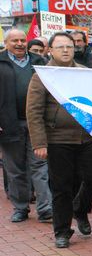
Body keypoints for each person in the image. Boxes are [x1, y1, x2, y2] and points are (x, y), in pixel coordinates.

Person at [26, 32, 92, 248]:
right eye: (60, 46)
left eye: (69, 46)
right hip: (58, 139)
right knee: (62, 186)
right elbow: (33, 111)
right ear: (49, 50)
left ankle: (80, 208)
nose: (65, 50)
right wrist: (39, 143)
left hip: (87, 137)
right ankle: (62, 231)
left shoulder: (85, 73)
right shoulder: (42, 75)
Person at [0, 28, 52, 223]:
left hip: (36, 123)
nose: (20, 44)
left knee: (40, 165)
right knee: (15, 169)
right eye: (15, 41)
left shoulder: (39, 62)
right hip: (9, 124)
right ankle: (20, 208)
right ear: (7, 43)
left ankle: (45, 208)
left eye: (23, 40)